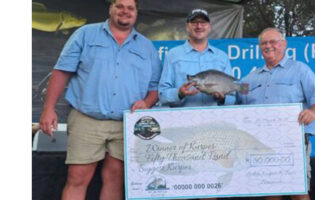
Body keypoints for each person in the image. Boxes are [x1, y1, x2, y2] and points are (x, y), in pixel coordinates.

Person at [38, 0, 161, 199]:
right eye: (120, 6)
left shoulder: (146, 46)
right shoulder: (85, 34)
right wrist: (48, 108)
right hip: (87, 119)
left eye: (130, 8)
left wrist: (146, 102)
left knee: (116, 178)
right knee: (77, 177)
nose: (125, 11)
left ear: (136, 12)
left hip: (126, 123)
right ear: (110, 8)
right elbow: (61, 71)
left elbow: (155, 88)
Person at [239, 27, 315, 200]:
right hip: (262, 144)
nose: (268, 46)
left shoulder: (300, 70)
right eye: (264, 43)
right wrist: (219, 94)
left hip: (293, 142)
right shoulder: (249, 79)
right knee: (271, 191)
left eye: (273, 42)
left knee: (298, 191)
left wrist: (313, 112)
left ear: (283, 44)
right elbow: (234, 102)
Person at [159, 8, 235, 108]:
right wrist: (179, 93)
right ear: (187, 26)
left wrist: (223, 98)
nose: (199, 26)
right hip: (183, 121)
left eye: (203, 22)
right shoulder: (173, 55)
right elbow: (162, 95)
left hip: (215, 121)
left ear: (209, 27)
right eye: (194, 22)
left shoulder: (222, 57)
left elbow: (233, 97)